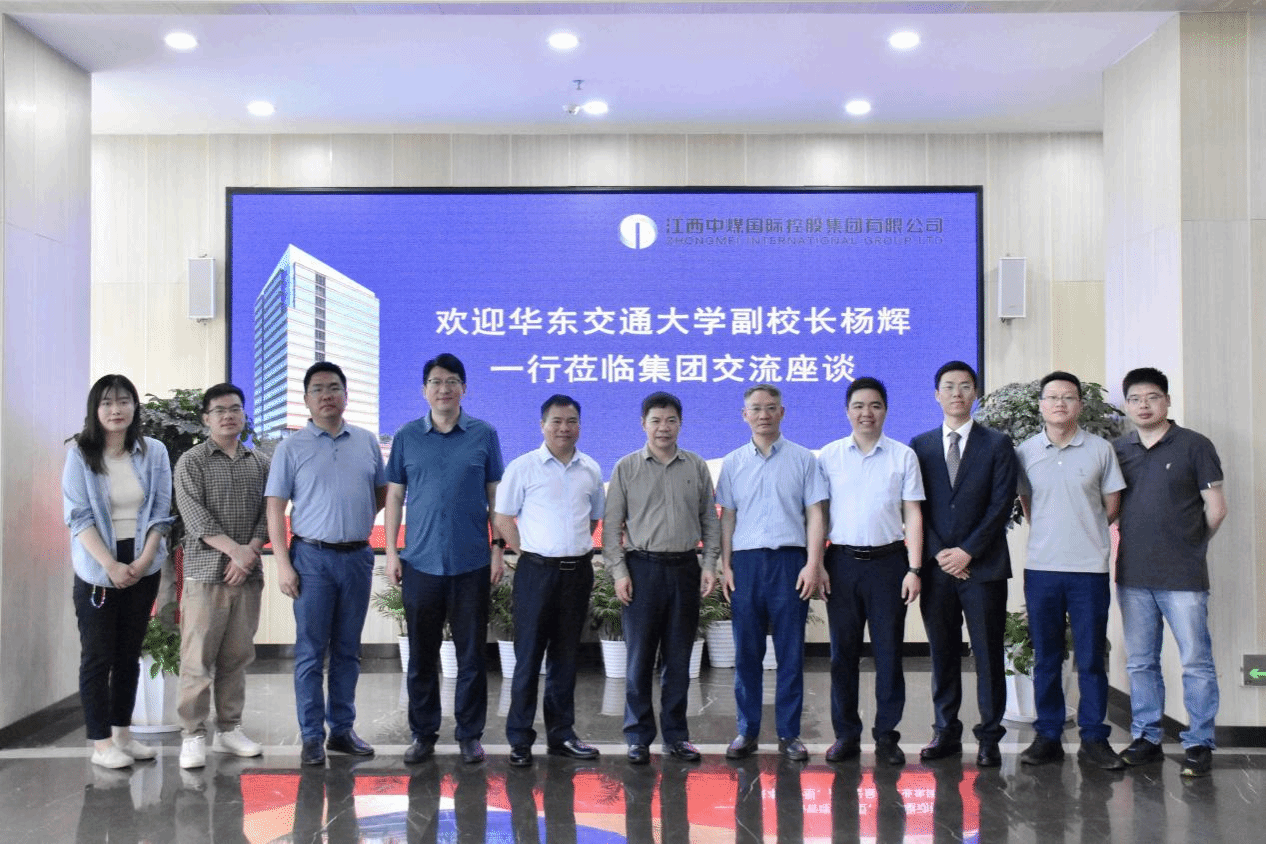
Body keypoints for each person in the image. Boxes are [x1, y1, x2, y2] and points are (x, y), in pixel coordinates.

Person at [385, 353, 505, 765]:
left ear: (463, 388)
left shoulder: (484, 434)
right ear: (424, 390)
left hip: (471, 563)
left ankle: (470, 735)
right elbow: (395, 495)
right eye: (436, 382)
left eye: (452, 381)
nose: (444, 388)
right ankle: (423, 734)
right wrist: (391, 552)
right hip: (420, 562)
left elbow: (495, 495)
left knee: (471, 656)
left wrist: (497, 549)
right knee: (422, 656)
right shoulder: (406, 436)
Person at [266, 361, 386, 767]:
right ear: (306, 399)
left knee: (349, 651)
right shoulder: (291, 448)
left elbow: (381, 493)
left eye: (334, 387)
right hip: (311, 559)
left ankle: (342, 730)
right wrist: (283, 564)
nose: (327, 395)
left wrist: (354, 519)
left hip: (357, 557)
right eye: (317, 389)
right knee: (311, 652)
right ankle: (312, 736)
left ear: (346, 395)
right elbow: (275, 507)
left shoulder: (366, 442)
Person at [1114, 367, 1226, 777]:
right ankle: (1147, 738)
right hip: (1133, 574)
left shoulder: (1195, 445)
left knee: (1196, 662)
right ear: (1127, 406)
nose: (1143, 406)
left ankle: (1199, 742)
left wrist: (1191, 544)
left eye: (1152, 397)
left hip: (1183, 576)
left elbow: (1217, 509)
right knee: (1141, 662)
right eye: (1135, 399)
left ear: (1167, 400)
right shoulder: (1118, 449)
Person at [1015, 370, 1127, 769]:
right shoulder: (1026, 451)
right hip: (1042, 569)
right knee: (1047, 656)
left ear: (1079, 404)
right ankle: (1047, 735)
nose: (1059, 403)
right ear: (1041, 405)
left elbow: (1111, 506)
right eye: (1052, 397)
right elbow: (1028, 505)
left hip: (1089, 571)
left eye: (1068, 397)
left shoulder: (1100, 449)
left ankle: (1094, 738)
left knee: (1091, 657)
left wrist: (1084, 532)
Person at [910, 361, 1018, 767]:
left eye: (965, 386)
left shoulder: (997, 444)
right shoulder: (919, 445)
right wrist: (941, 552)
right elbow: (915, 506)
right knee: (942, 652)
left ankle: (989, 736)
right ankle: (945, 731)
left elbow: (1001, 503)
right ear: (936, 394)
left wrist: (967, 552)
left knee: (988, 653)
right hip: (937, 569)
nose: (957, 393)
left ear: (976, 393)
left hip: (983, 568)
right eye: (949, 386)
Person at [603, 391, 720, 765]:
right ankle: (638, 737)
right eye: (656, 420)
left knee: (678, 659)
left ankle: (676, 736)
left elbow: (709, 521)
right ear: (643, 424)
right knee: (639, 659)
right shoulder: (626, 467)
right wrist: (619, 572)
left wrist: (709, 564)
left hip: (685, 569)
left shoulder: (696, 466)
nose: (663, 427)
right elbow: (611, 526)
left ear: (680, 423)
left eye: (670, 420)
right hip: (642, 570)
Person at [63, 374, 173, 769]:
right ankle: (101, 744)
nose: (116, 410)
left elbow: (161, 511)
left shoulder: (154, 451)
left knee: (129, 653)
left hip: (143, 558)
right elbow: (78, 516)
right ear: (95, 410)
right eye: (107, 403)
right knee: (98, 656)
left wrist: (142, 562)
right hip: (98, 564)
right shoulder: (80, 454)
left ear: (134, 406)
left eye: (124, 401)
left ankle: (123, 735)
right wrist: (110, 565)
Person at [716, 384, 827, 762]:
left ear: (782, 412)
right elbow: (728, 517)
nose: (763, 415)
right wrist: (725, 565)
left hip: (790, 563)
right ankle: (746, 731)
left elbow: (815, 514)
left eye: (771, 408)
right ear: (744, 415)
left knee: (790, 653)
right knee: (747, 652)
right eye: (756, 408)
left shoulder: (803, 459)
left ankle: (789, 734)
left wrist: (813, 563)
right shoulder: (733, 462)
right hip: (746, 565)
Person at [817, 376, 924, 766]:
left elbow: (913, 513)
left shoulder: (903, 456)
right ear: (847, 411)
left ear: (886, 410)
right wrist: (817, 564)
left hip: (889, 565)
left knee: (889, 653)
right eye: (859, 406)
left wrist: (914, 568)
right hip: (841, 564)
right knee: (842, 655)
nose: (867, 413)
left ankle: (887, 736)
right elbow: (818, 514)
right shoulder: (828, 456)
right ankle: (846, 735)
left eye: (875, 405)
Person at [493, 394, 604, 768]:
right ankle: (520, 739)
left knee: (566, 657)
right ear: (542, 425)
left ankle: (562, 735)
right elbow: (503, 518)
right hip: (536, 573)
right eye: (556, 421)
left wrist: (568, 547)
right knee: (528, 657)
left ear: (580, 426)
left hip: (577, 573)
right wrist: (529, 550)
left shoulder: (590, 469)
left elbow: (592, 519)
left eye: (571, 421)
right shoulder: (523, 467)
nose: (564, 428)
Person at [172, 383, 270, 769]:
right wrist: (236, 551)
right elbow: (194, 516)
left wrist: (248, 554)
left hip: (246, 576)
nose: (228, 416)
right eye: (219, 410)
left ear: (244, 414)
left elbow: (269, 513)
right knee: (196, 660)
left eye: (235, 408)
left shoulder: (260, 462)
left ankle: (229, 730)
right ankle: (193, 735)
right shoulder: (191, 461)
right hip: (205, 575)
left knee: (237, 657)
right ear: (206, 418)